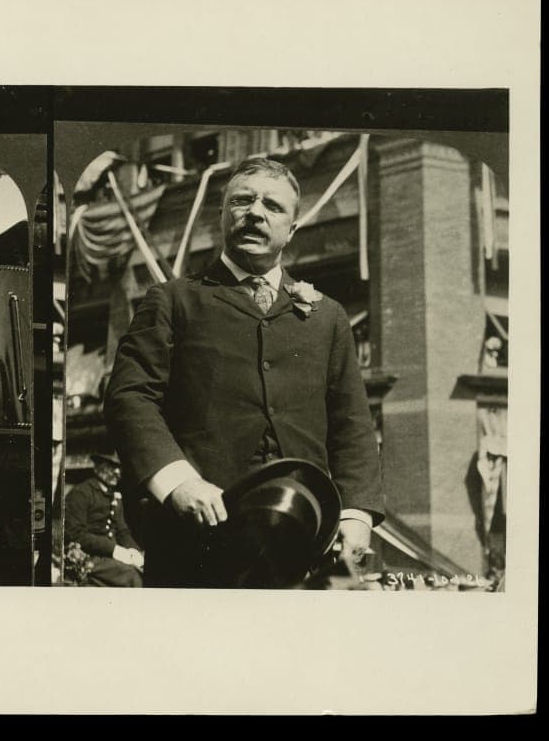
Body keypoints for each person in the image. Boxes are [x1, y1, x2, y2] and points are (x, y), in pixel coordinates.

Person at [104, 156, 384, 587]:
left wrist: (356, 513)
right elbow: (130, 397)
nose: (255, 212)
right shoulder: (173, 301)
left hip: (301, 544)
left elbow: (352, 424)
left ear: (292, 229)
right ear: (221, 216)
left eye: (273, 206)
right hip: (195, 542)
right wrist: (178, 482)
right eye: (242, 201)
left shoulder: (327, 316)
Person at [64, 452, 144, 587]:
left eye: (120, 468)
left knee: (144, 569)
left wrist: (133, 551)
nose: (118, 472)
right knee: (132, 576)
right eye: (112, 466)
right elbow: (76, 534)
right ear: (98, 466)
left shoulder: (113, 494)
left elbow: (122, 530)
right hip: (87, 556)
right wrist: (114, 550)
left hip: (110, 555)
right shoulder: (81, 493)